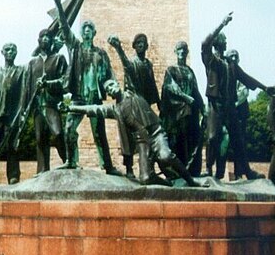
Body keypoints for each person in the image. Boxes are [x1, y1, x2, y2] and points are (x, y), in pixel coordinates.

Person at [68, 79, 202, 187]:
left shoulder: (133, 92)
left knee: (165, 156)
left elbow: (128, 66)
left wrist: (119, 49)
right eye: (108, 90)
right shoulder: (116, 109)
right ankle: (165, 182)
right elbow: (94, 109)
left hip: (155, 133)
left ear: (118, 84)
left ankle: (191, 181)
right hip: (142, 142)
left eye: (112, 85)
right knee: (145, 178)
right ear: (109, 95)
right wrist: (70, 107)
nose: (111, 89)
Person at [51, 0, 120, 175]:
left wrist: (113, 86)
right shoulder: (75, 47)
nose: (87, 30)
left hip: (95, 98)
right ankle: (72, 161)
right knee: (69, 128)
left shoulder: (101, 54)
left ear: (94, 33)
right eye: (84, 28)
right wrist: (58, 3)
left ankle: (107, 165)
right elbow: (64, 27)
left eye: (90, 28)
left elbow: (108, 77)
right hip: (79, 97)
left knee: (99, 134)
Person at [201, 12, 269, 180]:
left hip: (229, 106)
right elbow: (204, 43)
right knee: (212, 138)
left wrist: (265, 88)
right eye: (224, 40)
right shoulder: (210, 60)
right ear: (218, 42)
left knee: (238, 140)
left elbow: (246, 78)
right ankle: (209, 169)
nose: (226, 42)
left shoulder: (230, 64)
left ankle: (246, 170)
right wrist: (222, 24)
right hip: (216, 106)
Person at [108, 33, 161, 177]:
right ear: (134, 46)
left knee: (149, 137)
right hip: (131, 104)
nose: (141, 45)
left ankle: (150, 168)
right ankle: (129, 168)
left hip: (143, 104)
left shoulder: (148, 64)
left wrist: (158, 104)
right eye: (138, 43)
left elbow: (152, 86)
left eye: (143, 42)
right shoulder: (133, 62)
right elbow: (127, 66)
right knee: (128, 138)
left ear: (147, 46)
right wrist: (119, 49)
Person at [24, 29, 67, 174]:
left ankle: (68, 161)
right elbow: (27, 87)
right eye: (42, 37)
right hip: (37, 105)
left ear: (52, 40)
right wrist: (25, 108)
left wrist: (48, 83)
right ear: (38, 41)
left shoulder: (58, 58)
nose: (45, 39)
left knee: (58, 133)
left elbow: (65, 82)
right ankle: (42, 170)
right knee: (40, 139)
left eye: (48, 37)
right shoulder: (32, 63)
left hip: (52, 104)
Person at [0, 42, 26, 185]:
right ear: (2, 52)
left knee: (12, 147)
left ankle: (13, 176)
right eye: (7, 49)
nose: (10, 52)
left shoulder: (21, 72)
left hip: (12, 116)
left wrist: (20, 114)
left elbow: (23, 94)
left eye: (13, 49)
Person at [161, 41, 205, 176]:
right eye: (179, 49)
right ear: (175, 51)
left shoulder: (190, 71)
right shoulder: (171, 70)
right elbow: (170, 87)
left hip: (190, 111)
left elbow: (196, 91)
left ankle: (189, 170)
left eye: (184, 50)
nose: (182, 52)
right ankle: (176, 170)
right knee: (177, 139)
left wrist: (203, 108)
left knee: (191, 139)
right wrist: (185, 97)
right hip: (176, 112)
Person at [225, 49, 250, 179]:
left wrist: (231, 105)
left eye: (236, 56)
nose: (234, 58)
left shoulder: (241, 74)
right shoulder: (225, 72)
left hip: (239, 114)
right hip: (227, 114)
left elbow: (243, 92)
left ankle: (239, 173)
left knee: (240, 144)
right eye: (231, 56)